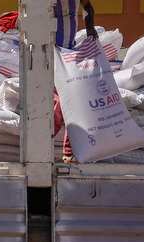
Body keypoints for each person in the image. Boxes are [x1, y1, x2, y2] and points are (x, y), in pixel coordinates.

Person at [53, 0, 98, 162]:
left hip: (69, 52)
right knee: (62, 101)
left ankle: (69, 152)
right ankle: (49, 143)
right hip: (49, 52)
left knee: (72, 100)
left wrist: (90, 26)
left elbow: (87, 6)